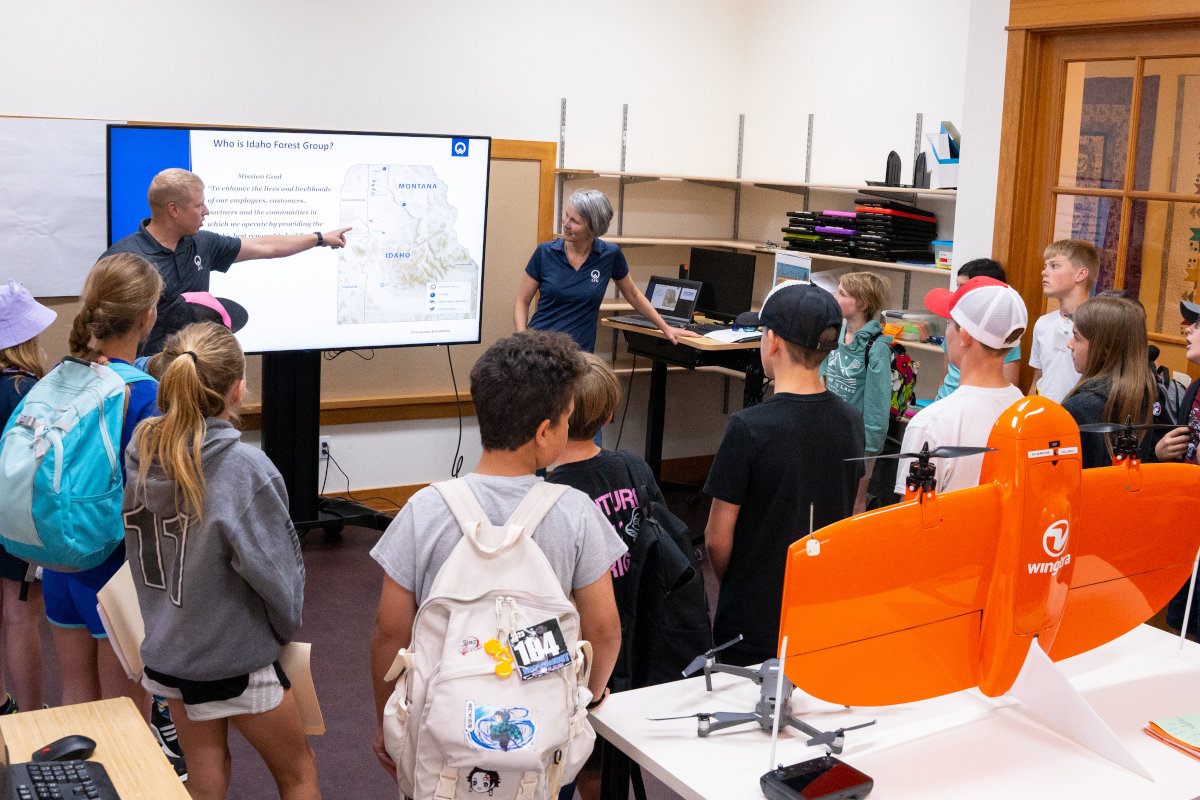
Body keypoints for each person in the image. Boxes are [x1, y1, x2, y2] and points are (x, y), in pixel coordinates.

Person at [368, 330, 625, 781]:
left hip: (438, 737)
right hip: (539, 737)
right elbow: (604, 632)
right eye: (566, 420)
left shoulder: (423, 508)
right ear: (545, 433)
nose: (568, 429)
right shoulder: (576, 513)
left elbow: (390, 635)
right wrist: (587, 698)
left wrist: (389, 725)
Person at [124, 322, 317, 800]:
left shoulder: (142, 452)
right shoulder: (244, 470)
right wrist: (282, 633)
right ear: (237, 389)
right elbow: (276, 577)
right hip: (236, 658)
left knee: (205, 769)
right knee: (298, 773)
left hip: (172, 654)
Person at [546, 352, 709, 800]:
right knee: (606, 759)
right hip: (635, 639)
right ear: (610, 414)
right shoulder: (634, 468)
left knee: (561, 763)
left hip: (578, 652)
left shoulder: (551, 496)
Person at [704, 283, 864, 666]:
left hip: (753, 615)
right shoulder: (851, 421)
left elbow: (716, 539)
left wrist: (741, 581)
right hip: (817, 606)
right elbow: (851, 514)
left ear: (772, 341)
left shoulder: (748, 427)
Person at [47, 254, 162, 715]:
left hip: (59, 560)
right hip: (115, 569)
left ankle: (70, 786)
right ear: (146, 316)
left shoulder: (61, 375)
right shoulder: (144, 392)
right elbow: (156, 494)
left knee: (75, 698)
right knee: (127, 712)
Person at [102, 168, 351, 355]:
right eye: (199, 205)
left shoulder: (203, 243)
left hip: (193, 372)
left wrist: (319, 238)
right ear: (173, 210)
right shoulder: (123, 260)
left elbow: (265, 246)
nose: (206, 211)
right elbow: (102, 331)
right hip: (146, 380)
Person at [895, 277, 1027, 496]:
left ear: (964, 336)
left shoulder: (931, 424)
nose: (946, 333)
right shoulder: (1024, 411)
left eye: (949, 324)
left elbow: (912, 520)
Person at [514, 189, 686, 353]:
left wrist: (665, 327)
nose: (565, 223)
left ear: (593, 228)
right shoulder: (545, 252)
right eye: (566, 215)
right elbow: (522, 301)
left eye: (574, 221)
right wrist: (522, 339)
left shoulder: (610, 255)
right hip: (538, 349)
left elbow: (633, 294)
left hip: (579, 353)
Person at [0, 280, 52, 715]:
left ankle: (1, 704)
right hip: (14, 518)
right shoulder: (25, 392)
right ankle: (32, 715)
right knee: (20, 615)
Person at [820, 271, 892, 514]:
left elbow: (878, 404)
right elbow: (822, 374)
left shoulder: (876, 348)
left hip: (860, 440)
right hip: (830, 431)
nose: (834, 296)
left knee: (855, 501)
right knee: (828, 495)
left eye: (841, 293)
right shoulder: (835, 332)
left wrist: (870, 447)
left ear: (862, 304)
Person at [1061, 295, 1157, 469]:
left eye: (1077, 337)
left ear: (1105, 350)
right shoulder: (1145, 393)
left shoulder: (1077, 408)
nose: (1070, 344)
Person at [1153, 299, 1200, 641]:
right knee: (1182, 621)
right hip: (1189, 530)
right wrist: (1162, 452)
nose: (1188, 330)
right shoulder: (1195, 390)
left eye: (1197, 325)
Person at [934, 259, 1021, 399]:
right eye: (957, 286)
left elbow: (1008, 384)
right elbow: (945, 378)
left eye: (963, 288)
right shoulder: (954, 325)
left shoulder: (1001, 334)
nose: (957, 294)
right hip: (945, 402)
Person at [1029, 239, 1097, 402]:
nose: (1044, 272)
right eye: (1045, 266)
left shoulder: (1098, 324)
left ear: (1080, 274)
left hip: (1079, 415)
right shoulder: (1042, 324)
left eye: (1054, 266)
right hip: (1044, 414)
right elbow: (1039, 377)